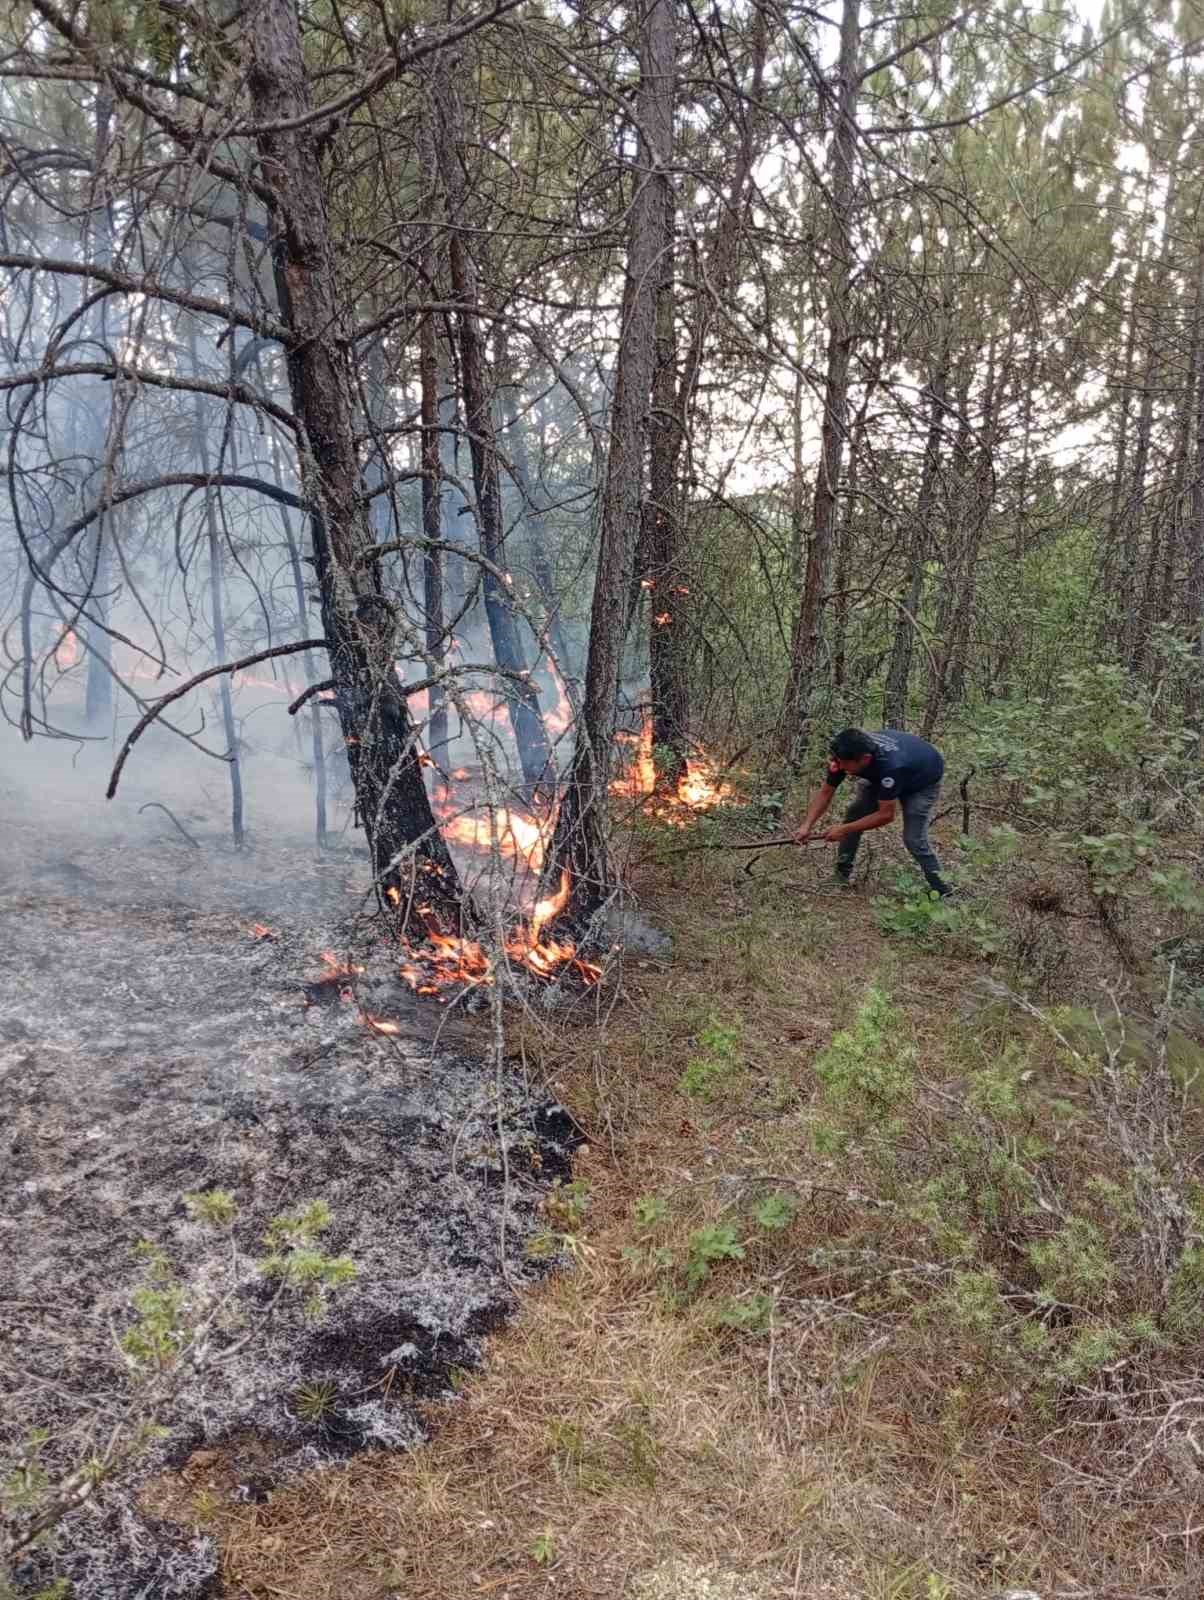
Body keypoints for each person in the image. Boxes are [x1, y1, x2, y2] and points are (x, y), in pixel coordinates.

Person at [795, 727, 953, 896]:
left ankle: (944, 890)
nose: (838, 766)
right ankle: (841, 875)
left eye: (844, 763)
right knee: (855, 813)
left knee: (913, 839)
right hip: (885, 773)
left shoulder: (892, 767)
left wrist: (844, 829)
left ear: (865, 759)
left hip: (921, 781)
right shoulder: (845, 754)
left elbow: (886, 815)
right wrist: (806, 826)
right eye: (837, 760)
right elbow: (826, 792)